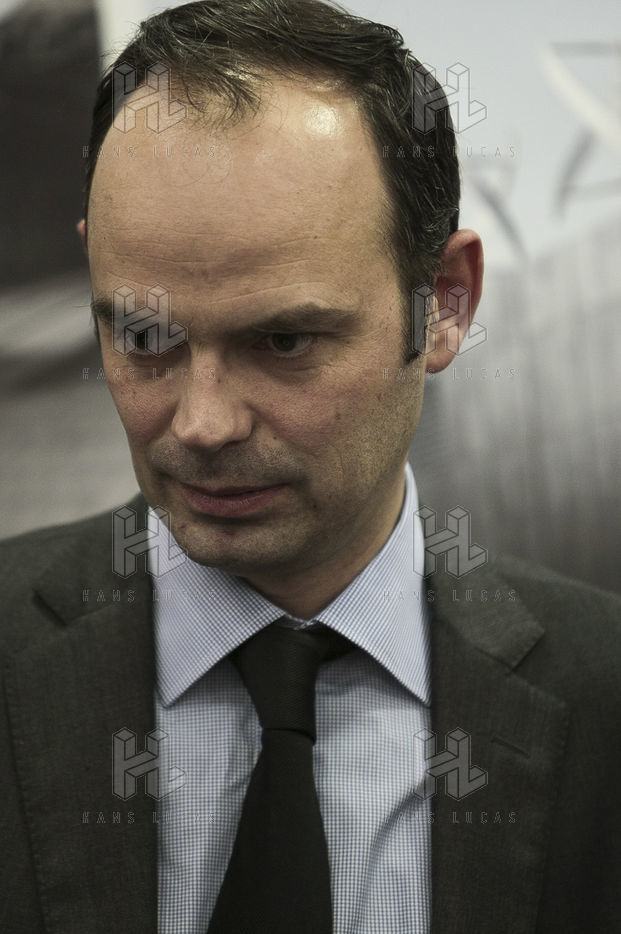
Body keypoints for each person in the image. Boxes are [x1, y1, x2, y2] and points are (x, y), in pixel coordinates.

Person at [1, 1, 620, 931]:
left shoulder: (602, 697)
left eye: (284, 341)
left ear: (444, 303)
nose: (202, 424)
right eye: (144, 338)